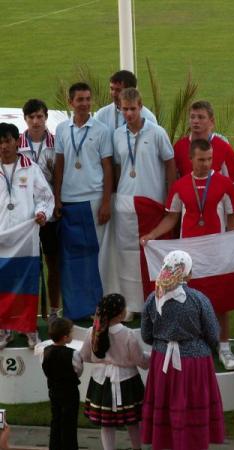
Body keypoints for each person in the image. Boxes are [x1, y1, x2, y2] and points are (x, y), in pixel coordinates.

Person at [140, 138, 234, 370]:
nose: (206, 164)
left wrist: (230, 241)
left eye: (209, 159)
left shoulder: (225, 184)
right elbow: (171, 217)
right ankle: (199, 345)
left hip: (216, 252)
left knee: (221, 300)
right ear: (191, 159)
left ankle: (224, 348)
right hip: (188, 255)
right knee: (188, 298)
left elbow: (233, 215)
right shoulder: (181, 185)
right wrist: (152, 235)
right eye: (201, 160)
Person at [141, 250, 224, 450]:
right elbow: (213, 334)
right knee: (192, 406)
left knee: (167, 404)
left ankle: (167, 443)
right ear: (187, 272)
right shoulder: (198, 299)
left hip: (163, 361)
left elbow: (146, 335)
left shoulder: (154, 298)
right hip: (195, 363)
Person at [113, 87, 176, 320]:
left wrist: (170, 196)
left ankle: (156, 302)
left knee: (150, 252)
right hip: (125, 202)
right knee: (127, 253)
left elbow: (170, 163)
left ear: (141, 107)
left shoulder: (157, 132)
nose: (129, 113)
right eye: (124, 109)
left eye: (133, 108)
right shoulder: (118, 135)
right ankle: (131, 304)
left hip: (152, 201)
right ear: (120, 108)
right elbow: (119, 166)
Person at [54, 82, 113, 320]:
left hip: (93, 199)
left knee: (94, 255)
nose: (85, 103)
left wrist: (106, 202)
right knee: (70, 257)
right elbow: (59, 164)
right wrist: (57, 198)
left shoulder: (101, 130)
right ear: (71, 102)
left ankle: (96, 307)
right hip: (69, 200)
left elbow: (108, 168)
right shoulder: (61, 129)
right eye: (80, 99)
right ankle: (73, 308)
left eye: (88, 99)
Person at [0, 122, 54, 350]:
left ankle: (29, 329)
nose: (3, 146)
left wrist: (42, 213)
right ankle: (4, 330)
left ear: (16, 142)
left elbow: (45, 197)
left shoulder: (30, 167)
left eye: (8, 141)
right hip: (1, 239)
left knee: (27, 283)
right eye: (0, 142)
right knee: (3, 284)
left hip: (25, 237)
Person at [80, 294, 149, 450]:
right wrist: (152, 359)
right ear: (119, 314)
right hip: (128, 381)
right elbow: (140, 360)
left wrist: (103, 362)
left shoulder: (92, 331)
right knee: (133, 422)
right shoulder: (128, 334)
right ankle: (137, 448)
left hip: (101, 381)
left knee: (106, 424)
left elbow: (85, 355)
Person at [18, 99, 60, 321]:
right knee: (27, 265)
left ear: (46, 117)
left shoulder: (56, 142)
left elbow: (61, 176)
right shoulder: (16, 143)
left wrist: (58, 203)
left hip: (49, 215)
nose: (36, 121)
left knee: (53, 263)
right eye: (31, 117)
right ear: (25, 119)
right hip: (24, 218)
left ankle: (53, 311)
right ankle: (28, 312)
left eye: (40, 116)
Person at [42, 317, 83, 450]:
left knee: (56, 420)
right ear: (65, 337)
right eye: (71, 333)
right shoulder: (74, 354)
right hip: (70, 392)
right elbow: (78, 371)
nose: (72, 335)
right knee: (69, 423)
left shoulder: (45, 351)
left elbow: (46, 369)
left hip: (54, 391)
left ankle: (54, 447)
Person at [173, 100, 234, 182]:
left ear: (212, 121)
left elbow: (233, 184)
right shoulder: (179, 147)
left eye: (201, 117)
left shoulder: (224, 148)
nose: (195, 121)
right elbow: (173, 181)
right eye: (192, 117)